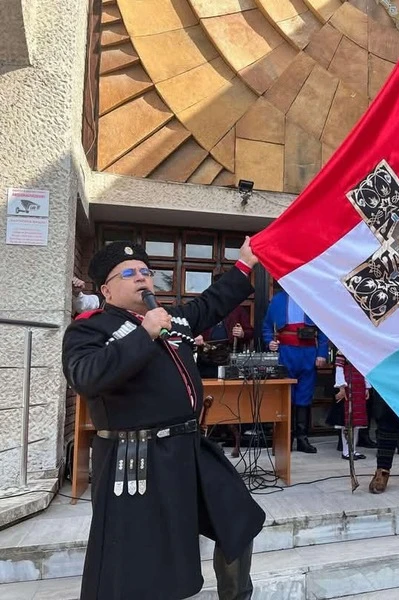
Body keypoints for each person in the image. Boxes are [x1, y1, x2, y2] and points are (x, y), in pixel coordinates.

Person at [62, 240, 266, 600]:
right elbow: (86, 377)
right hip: (138, 455)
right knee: (145, 556)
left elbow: (210, 303)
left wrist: (245, 263)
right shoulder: (89, 330)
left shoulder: (171, 318)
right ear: (106, 289)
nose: (142, 278)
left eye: (146, 272)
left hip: (189, 446)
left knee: (239, 518)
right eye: (129, 273)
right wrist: (145, 334)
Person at [262, 287, 329, 453]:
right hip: (286, 353)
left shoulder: (313, 298)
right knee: (285, 395)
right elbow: (266, 327)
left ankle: (302, 439)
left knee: (304, 396)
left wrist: (321, 353)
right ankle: (286, 438)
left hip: (308, 353)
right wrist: (269, 341)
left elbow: (323, 331)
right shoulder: (277, 300)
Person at [195, 272, 254, 379]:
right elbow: (190, 327)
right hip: (206, 356)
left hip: (230, 355)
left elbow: (250, 332)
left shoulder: (238, 309)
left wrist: (242, 333)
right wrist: (196, 335)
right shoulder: (204, 308)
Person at [329, 350, 369, 460]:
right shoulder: (342, 350)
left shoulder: (359, 349)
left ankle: (353, 449)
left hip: (359, 387)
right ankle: (346, 451)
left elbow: (364, 369)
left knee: (356, 422)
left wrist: (366, 387)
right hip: (348, 388)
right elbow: (339, 369)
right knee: (347, 423)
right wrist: (341, 387)